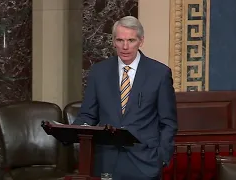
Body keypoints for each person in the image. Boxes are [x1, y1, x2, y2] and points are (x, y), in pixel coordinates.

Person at [72, 16, 178, 180]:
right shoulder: (98, 72)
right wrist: (70, 131)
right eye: (120, 40)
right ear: (113, 41)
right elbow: (88, 115)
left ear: (141, 41)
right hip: (106, 162)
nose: (125, 47)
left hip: (145, 163)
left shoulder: (159, 73)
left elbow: (168, 122)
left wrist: (161, 157)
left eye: (131, 40)